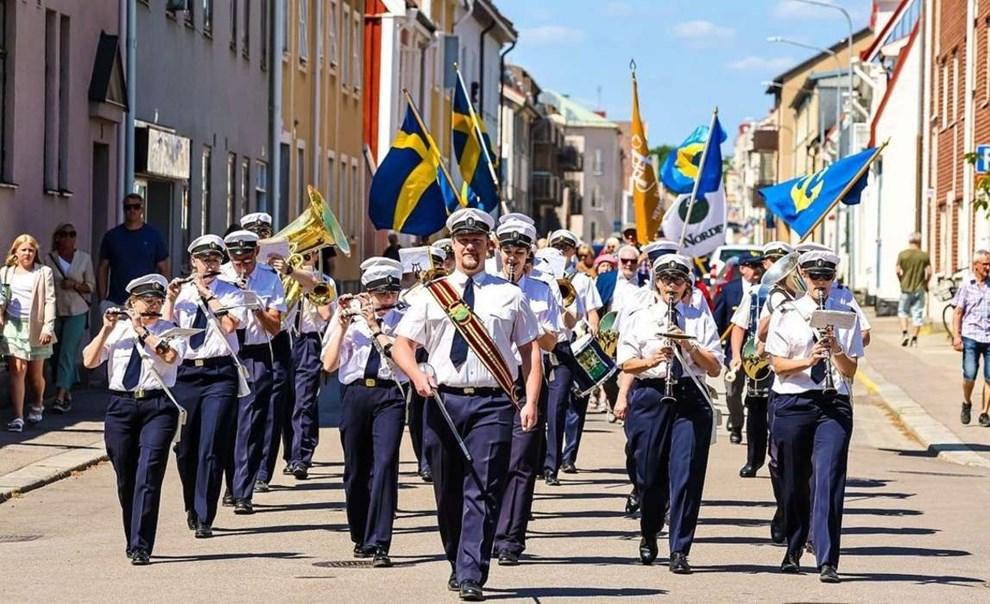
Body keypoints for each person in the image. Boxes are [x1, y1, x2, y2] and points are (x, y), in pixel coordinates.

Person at [391, 208, 541, 601]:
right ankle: (457, 558)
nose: (470, 247)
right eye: (463, 240)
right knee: (448, 491)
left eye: (477, 240)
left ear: (489, 245)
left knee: (483, 487)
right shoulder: (431, 294)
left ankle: (472, 571)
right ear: (454, 244)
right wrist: (417, 375)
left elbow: (530, 352)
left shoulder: (510, 294)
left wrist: (530, 401)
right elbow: (401, 346)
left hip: (493, 403)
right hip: (444, 401)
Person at [613, 254, 722, 574]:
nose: (671, 286)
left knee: (686, 474)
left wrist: (689, 347)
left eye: (677, 280)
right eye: (665, 280)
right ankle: (649, 530)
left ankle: (680, 549)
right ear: (656, 283)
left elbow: (714, 367)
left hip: (690, 398)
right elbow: (625, 362)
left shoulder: (699, 316)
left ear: (687, 284)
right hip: (651, 395)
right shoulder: (640, 315)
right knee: (648, 474)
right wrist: (652, 359)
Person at [765, 250, 864, 583]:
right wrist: (808, 361)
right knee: (793, 483)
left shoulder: (844, 313)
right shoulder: (787, 313)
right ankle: (793, 548)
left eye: (826, 277)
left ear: (833, 279)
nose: (820, 283)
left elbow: (850, 369)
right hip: (794, 402)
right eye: (814, 277)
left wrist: (835, 348)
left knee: (830, 479)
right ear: (803, 277)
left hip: (833, 404)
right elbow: (777, 365)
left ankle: (827, 559)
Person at [81, 275, 188, 565]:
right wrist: (105, 330)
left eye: (157, 301)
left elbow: (171, 357)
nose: (152, 306)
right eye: (146, 301)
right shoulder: (117, 331)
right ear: (132, 303)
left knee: (149, 474)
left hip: (158, 406)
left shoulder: (170, 330)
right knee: (126, 478)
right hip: (121, 406)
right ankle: (132, 537)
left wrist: (144, 333)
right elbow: (90, 361)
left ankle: (142, 545)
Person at [322, 257, 407, 568]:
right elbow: (329, 365)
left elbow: (401, 360)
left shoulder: (405, 319)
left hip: (390, 394)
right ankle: (361, 534)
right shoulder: (347, 318)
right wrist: (343, 325)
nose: (387, 300)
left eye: (391, 293)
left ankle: (381, 542)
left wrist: (374, 325)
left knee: (385, 464)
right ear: (366, 293)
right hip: (355, 393)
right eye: (380, 294)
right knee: (357, 470)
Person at [162, 235, 245, 538]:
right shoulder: (180, 292)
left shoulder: (231, 292)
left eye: (214, 259)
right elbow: (163, 329)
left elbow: (231, 324)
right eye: (203, 259)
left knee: (211, 445)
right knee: (186, 449)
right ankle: (190, 504)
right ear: (193, 261)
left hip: (219, 374)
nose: (209, 264)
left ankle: (204, 514)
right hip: (185, 374)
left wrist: (208, 295)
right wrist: (170, 299)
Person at [493, 217, 562, 566]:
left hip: (527, 381)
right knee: (489, 459)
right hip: (491, 382)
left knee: (520, 465)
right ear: (498, 250)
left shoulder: (541, 290)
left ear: (528, 255)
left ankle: (510, 540)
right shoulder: (485, 287)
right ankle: (488, 529)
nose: (512, 257)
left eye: (519, 252)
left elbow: (552, 340)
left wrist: (529, 326)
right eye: (507, 250)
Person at [220, 230, 286, 514]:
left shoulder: (270, 278)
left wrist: (256, 307)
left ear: (256, 253)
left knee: (251, 423)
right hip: (226, 354)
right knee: (226, 423)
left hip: (256, 354)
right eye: (237, 261)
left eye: (247, 260)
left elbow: (275, 327)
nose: (242, 266)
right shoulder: (219, 276)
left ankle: (243, 491)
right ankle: (229, 484)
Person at [547, 229, 602, 477]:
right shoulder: (541, 276)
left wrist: (594, 333)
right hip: (548, 343)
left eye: (566, 248)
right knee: (552, 406)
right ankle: (549, 458)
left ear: (573, 252)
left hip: (575, 343)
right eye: (557, 246)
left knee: (577, 401)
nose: (562, 251)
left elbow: (592, 313)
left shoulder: (583, 280)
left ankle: (568, 456)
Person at [282, 250, 335, 478]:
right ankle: (290, 452)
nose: (305, 258)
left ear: (315, 256)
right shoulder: (283, 278)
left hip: (310, 342)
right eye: (301, 254)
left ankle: (300, 458)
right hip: (285, 339)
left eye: (309, 255)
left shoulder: (324, 281)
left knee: (304, 401)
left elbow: (326, 315)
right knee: (287, 400)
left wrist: (309, 286)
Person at [1, 235, 56, 431]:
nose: (27, 253)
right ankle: (18, 417)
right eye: (23, 250)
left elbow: (50, 300)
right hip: (13, 325)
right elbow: (1, 296)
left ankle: (38, 402)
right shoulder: (6, 273)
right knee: (17, 370)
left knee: (35, 375)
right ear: (15, 252)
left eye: (31, 250)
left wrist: (48, 326)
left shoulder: (43, 272)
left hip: (36, 325)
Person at [44, 223, 96, 413]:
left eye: (72, 234)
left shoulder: (83, 259)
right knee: (55, 355)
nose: (68, 238)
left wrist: (75, 285)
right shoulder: (49, 259)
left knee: (67, 351)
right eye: (64, 234)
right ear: (57, 237)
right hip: (55, 311)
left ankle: (59, 397)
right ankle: (66, 391)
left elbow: (91, 286)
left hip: (77, 311)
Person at [714, 250, 765, 445]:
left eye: (759, 265)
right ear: (742, 268)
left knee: (757, 394)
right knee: (732, 392)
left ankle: (749, 427)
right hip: (735, 352)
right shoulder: (729, 290)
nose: (757, 270)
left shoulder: (766, 290)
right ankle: (736, 423)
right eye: (752, 266)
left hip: (759, 353)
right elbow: (719, 321)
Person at [96, 194, 170, 311]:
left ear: (141, 209)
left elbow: (164, 267)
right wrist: (102, 300)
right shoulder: (112, 236)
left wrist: (161, 295)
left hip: (145, 302)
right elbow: (102, 269)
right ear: (124, 209)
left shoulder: (153, 236)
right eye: (128, 207)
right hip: (116, 302)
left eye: (136, 207)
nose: (132, 210)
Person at [953, 250, 990, 426]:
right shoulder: (967, 285)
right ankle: (967, 402)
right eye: (985, 264)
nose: (988, 268)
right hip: (971, 336)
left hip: (989, 336)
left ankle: (984, 412)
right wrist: (956, 336)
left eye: (989, 264)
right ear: (976, 265)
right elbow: (958, 312)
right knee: (970, 375)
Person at [896, 232, 931, 347]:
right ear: (919, 242)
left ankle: (905, 333)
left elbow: (897, 270)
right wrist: (925, 282)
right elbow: (929, 272)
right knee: (917, 313)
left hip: (905, 288)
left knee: (903, 311)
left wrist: (901, 280)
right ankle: (915, 338)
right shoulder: (924, 255)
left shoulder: (903, 255)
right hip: (919, 288)